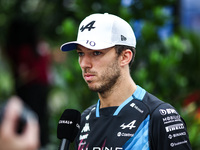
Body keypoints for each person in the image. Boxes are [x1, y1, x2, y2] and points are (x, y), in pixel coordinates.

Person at [60, 13, 192, 150]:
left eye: (96, 53)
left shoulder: (159, 117)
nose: (84, 64)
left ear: (124, 57)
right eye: (80, 53)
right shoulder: (84, 119)